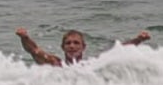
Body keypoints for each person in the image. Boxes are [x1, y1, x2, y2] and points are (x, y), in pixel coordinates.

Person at [15, 27, 151, 66]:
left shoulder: (91, 65)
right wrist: (24, 37)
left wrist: (138, 40)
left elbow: (119, 51)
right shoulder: (55, 63)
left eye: (76, 43)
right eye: (68, 43)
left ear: (83, 47)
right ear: (62, 47)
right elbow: (34, 51)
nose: (72, 46)